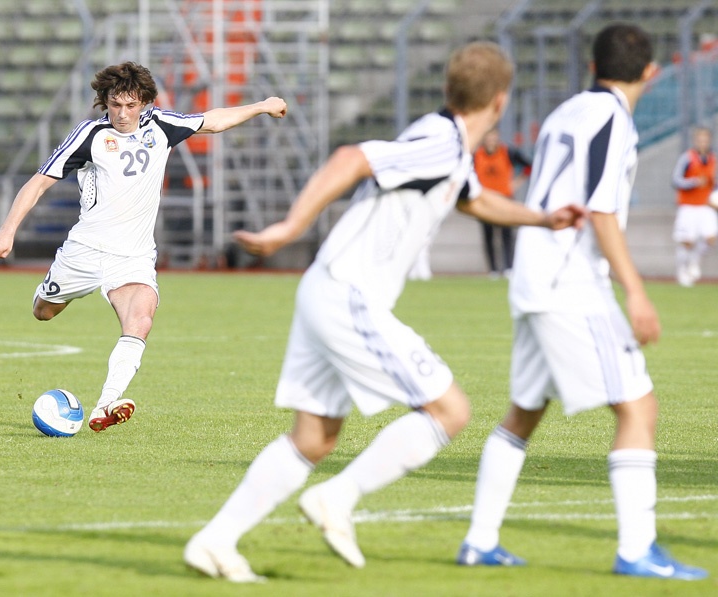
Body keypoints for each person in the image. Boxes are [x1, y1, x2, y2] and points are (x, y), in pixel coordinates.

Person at [183, 41, 585, 583]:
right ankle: (338, 497)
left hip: (325, 289)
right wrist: (289, 228)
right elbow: (351, 158)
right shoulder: (441, 143)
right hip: (348, 295)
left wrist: (542, 218)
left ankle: (215, 541)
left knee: (315, 438)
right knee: (449, 411)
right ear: (500, 101)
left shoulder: (445, 141)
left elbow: (474, 199)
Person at [457, 24, 708, 581]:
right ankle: (637, 550)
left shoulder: (566, 111)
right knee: (638, 407)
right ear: (651, 73)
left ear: (594, 65)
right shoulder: (613, 118)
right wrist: (635, 291)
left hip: (533, 274)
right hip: (569, 281)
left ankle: (479, 540)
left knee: (525, 411)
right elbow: (601, 211)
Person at [0, 62, 287, 433]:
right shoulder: (90, 135)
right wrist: (7, 231)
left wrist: (262, 106)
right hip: (85, 250)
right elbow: (39, 182)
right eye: (115, 105)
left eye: (130, 105)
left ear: (144, 103)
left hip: (133, 258)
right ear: (104, 102)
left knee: (141, 320)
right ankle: (49, 293)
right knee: (43, 312)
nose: (122, 114)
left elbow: (213, 120)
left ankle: (105, 404)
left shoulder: (162, 126)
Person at [473, 127, 532, 278]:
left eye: (493, 137)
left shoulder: (507, 152)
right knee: (489, 235)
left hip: (504, 198)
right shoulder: (476, 155)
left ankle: (508, 268)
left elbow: (528, 167)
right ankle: (493, 270)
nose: (490, 141)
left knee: (507, 234)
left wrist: (516, 183)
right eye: (488, 137)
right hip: (485, 200)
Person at [671, 126, 717, 287]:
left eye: (705, 140)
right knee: (687, 242)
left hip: (705, 205)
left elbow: (714, 184)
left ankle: (694, 261)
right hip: (688, 206)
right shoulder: (687, 158)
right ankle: (682, 271)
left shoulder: (713, 159)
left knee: (710, 238)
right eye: (700, 140)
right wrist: (694, 182)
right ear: (695, 141)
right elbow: (675, 180)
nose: (703, 143)